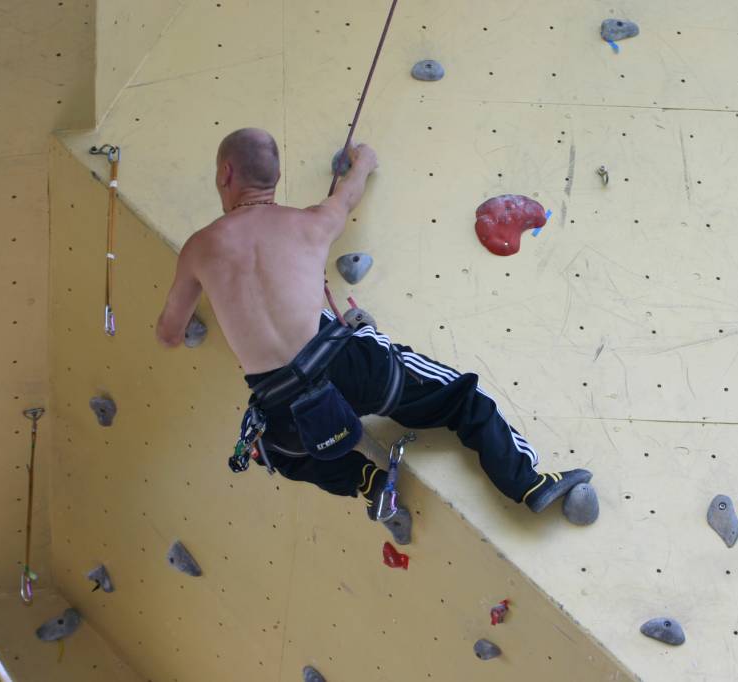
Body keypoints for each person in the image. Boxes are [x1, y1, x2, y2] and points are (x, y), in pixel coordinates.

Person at [155, 128, 591, 526]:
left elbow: (169, 333)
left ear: (225, 173)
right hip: (353, 368)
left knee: (274, 450)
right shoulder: (312, 222)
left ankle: (369, 481)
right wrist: (362, 159)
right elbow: (350, 191)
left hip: (284, 404)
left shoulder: (199, 248)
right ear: (276, 176)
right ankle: (527, 483)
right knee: (462, 399)